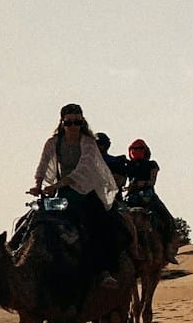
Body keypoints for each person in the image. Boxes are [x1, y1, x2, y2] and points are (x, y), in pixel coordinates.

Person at [30, 102, 123, 285]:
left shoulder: (88, 143)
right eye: (69, 122)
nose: (73, 126)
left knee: (99, 223)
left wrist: (57, 185)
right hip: (62, 193)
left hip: (85, 190)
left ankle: (103, 270)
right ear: (62, 123)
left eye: (77, 122)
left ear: (82, 123)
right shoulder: (53, 143)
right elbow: (42, 165)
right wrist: (38, 185)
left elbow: (83, 169)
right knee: (34, 220)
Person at [119, 138, 178, 258]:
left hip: (148, 196)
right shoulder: (128, 165)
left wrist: (141, 184)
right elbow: (123, 180)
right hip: (130, 197)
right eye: (134, 149)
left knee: (168, 219)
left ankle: (167, 249)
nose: (136, 151)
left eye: (140, 148)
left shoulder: (152, 165)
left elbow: (152, 181)